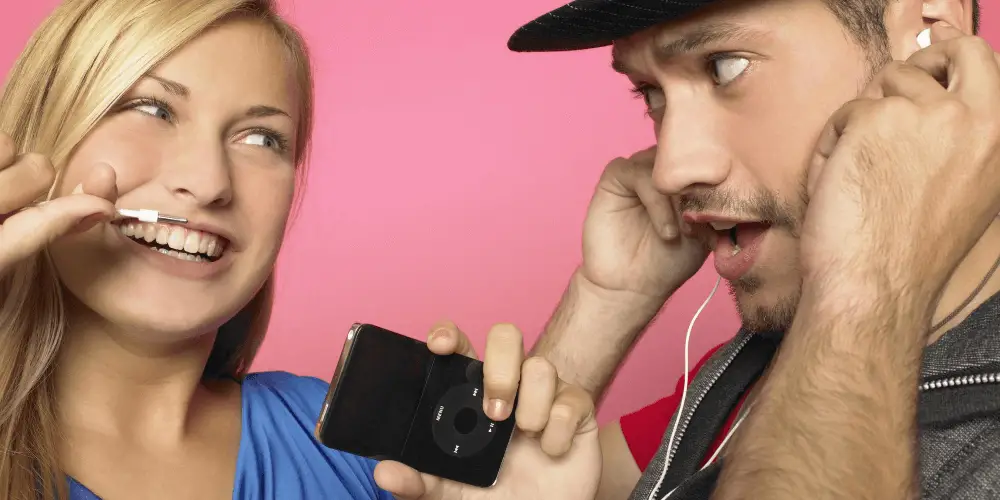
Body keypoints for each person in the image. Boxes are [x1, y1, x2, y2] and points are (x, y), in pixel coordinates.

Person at [380, 0, 1000, 499]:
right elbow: (524, 482)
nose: (672, 168)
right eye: (651, 95)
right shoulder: (751, 368)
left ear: (928, 28)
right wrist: (609, 297)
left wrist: (866, 283)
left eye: (725, 66)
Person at [0, 1, 597, 499]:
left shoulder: (363, 455)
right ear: (39, 133)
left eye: (261, 138)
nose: (210, 182)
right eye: (151, 108)